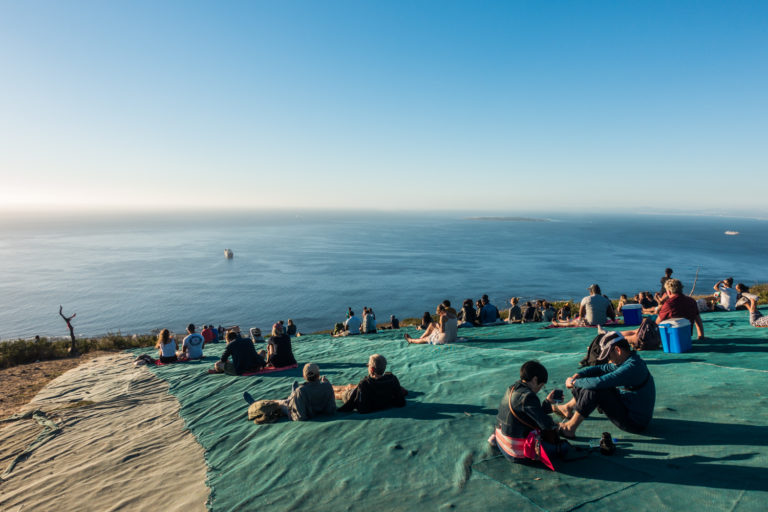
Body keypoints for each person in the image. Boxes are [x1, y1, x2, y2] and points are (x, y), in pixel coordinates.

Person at [555, 332, 655, 438]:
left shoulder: (632, 367)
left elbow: (598, 383)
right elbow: (601, 369)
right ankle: (568, 407)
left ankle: (569, 428)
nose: (608, 360)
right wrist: (579, 375)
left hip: (635, 423)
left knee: (595, 389)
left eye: (609, 356)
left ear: (618, 350)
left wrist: (574, 382)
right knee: (590, 381)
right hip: (629, 409)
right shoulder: (628, 359)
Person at [488, 361, 567, 466]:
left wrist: (547, 402)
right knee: (563, 448)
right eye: (542, 385)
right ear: (535, 380)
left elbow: (530, 414)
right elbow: (545, 424)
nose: (540, 389)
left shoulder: (512, 388)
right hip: (515, 452)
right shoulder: (528, 396)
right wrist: (558, 426)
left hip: (500, 440)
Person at [334, 354, 407, 413]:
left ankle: (330, 390)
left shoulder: (365, 383)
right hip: (367, 391)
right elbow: (400, 400)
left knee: (342, 393)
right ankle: (332, 387)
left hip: (353, 395)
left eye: (368, 365)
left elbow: (362, 408)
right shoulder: (392, 379)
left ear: (371, 369)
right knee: (350, 386)